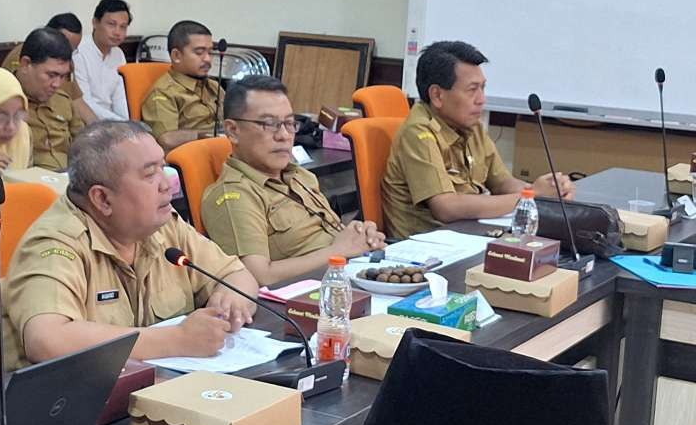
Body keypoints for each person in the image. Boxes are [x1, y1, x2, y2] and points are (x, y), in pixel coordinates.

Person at [0, 121, 258, 379]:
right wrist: (177, 340)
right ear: (102, 199)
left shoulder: (160, 224)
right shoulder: (56, 243)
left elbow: (236, 274)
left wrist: (229, 301)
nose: (166, 183)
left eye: (164, 168)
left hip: (142, 387)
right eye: (150, 174)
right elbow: (47, 341)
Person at [202, 76, 386, 286]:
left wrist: (359, 236)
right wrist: (337, 252)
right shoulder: (234, 196)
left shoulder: (299, 176)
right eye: (269, 124)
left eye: (289, 123)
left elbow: (329, 236)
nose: (284, 136)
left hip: (348, 275)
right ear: (233, 130)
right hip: (308, 297)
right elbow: (259, 276)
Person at [381, 41, 575, 238]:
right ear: (437, 95)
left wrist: (546, 191)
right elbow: (446, 208)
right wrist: (530, 196)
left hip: (468, 235)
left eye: (483, 88)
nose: (482, 99)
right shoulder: (419, 132)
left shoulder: (471, 125)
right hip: (426, 247)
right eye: (472, 90)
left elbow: (501, 182)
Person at [141, 20, 224, 151]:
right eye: (199, 52)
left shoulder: (213, 86)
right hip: (191, 158)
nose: (208, 59)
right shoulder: (164, 92)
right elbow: (165, 139)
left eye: (210, 52)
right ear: (176, 55)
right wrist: (207, 135)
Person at [1, 12, 97, 124]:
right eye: (51, 75)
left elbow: (77, 100)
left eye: (72, 49)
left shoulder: (64, 68)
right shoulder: (25, 56)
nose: (57, 83)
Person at [11, 27, 84, 171]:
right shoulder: (3, 102)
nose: (57, 84)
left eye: (63, 76)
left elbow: (84, 144)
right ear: (26, 64)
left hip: (71, 180)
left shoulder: (63, 101)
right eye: (51, 75)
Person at [72, 0, 130, 121]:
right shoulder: (78, 51)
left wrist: (128, 122)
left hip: (113, 122)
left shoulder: (118, 54)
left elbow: (120, 98)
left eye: (123, 27)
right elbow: (83, 102)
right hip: (85, 120)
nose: (117, 32)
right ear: (95, 22)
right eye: (111, 24)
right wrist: (121, 123)